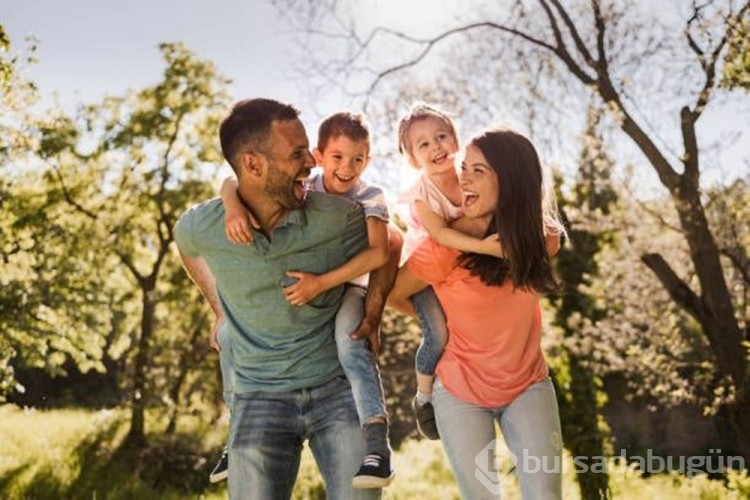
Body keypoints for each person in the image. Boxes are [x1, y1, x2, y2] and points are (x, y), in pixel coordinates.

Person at [174, 98, 385, 499]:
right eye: (296, 153)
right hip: (257, 395)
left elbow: (389, 243)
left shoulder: (336, 216)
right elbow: (185, 244)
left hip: (334, 390)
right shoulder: (205, 225)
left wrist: (372, 312)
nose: (311, 162)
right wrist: (219, 309)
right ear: (253, 165)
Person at [220, 111, 399, 488]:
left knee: (349, 342)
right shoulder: (306, 185)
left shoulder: (369, 196)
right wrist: (232, 206)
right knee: (227, 337)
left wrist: (321, 284)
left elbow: (380, 253)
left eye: (358, 159)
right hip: (309, 293)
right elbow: (230, 179)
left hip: (350, 284)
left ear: (368, 160)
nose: (347, 168)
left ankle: (376, 440)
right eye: (337, 157)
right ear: (318, 156)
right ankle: (234, 434)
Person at [389, 126, 565, 499]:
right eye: (464, 167)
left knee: (546, 494)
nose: (462, 177)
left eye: (477, 171)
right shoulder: (443, 249)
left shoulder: (543, 239)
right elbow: (395, 295)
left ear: (511, 180)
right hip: (460, 390)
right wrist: (442, 331)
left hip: (528, 383)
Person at [389, 103, 504, 440]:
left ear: (456, 140)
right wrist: (484, 246)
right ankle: (424, 396)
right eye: (423, 144)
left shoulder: (471, 177)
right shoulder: (421, 194)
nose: (435, 146)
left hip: (457, 269)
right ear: (412, 159)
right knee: (437, 334)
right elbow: (440, 235)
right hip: (424, 273)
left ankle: (477, 387)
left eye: (441, 137)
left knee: (470, 327)